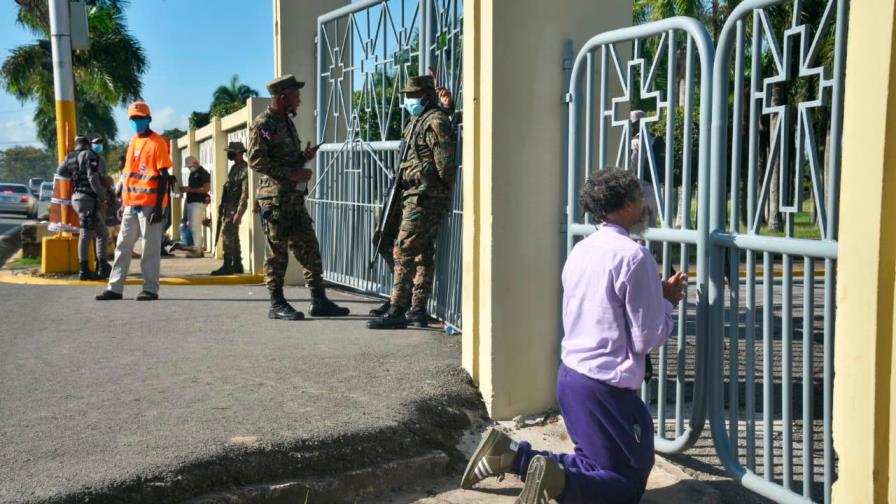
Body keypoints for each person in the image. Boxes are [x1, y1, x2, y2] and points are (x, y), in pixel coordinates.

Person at [459, 168, 688, 504]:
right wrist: (667, 304)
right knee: (624, 488)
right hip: (606, 386)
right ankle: (558, 483)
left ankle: (510, 455)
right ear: (625, 205)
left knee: (606, 464)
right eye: (639, 200)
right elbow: (647, 339)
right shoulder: (634, 257)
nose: (644, 207)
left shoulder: (583, 249)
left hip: (574, 377)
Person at [247, 74, 349, 320]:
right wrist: (292, 173)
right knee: (277, 254)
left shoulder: (286, 121)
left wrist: (303, 157)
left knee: (309, 248)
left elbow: (281, 158)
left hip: (293, 199)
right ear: (284, 97)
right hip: (275, 200)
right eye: (296, 94)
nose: (299, 99)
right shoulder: (265, 124)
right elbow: (255, 159)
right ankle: (277, 303)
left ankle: (318, 300)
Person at [367, 75, 457, 330]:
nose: (407, 101)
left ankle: (398, 307)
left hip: (425, 196)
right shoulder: (418, 120)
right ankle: (416, 308)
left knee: (403, 249)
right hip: (410, 194)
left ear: (425, 97)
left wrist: (419, 174)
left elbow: (445, 168)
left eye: (412, 96)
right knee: (418, 252)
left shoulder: (435, 121)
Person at [96, 101, 172, 301]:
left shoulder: (158, 143)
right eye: (133, 119)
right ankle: (115, 288)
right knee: (123, 246)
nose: (136, 122)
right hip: (131, 205)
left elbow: (164, 176)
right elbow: (128, 175)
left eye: (140, 118)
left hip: (150, 205)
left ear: (149, 119)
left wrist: (158, 206)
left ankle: (150, 289)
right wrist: (123, 203)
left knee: (150, 248)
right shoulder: (133, 142)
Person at [59, 134, 110, 280]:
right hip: (88, 199)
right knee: (87, 234)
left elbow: (61, 172)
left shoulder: (69, 157)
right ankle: (86, 269)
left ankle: (102, 265)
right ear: (88, 143)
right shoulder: (90, 155)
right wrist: (102, 197)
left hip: (77, 198)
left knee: (101, 232)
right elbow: (92, 177)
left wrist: (75, 175)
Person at [211, 141, 250, 275]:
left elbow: (245, 193)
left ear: (239, 153)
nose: (229, 154)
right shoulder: (234, 168)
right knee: (234, 236)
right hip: (229, 206)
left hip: (235, 207)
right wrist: (222, 205)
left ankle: (228, 265)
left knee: (227, 234)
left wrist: (239, 212)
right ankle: (237, 264)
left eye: (232, 151)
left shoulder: (245, 169)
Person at [181, 154, 210, 254]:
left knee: (195, 226)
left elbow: (206, 189)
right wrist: (187, 190)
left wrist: (190, 190)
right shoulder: (193, 174)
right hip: (190, 201)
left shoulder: (203, 173)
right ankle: (196, 248)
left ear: (195, 163)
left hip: (198, 202)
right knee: (192, 226)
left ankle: (197, 249)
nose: (189, 168)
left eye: (190, 166)